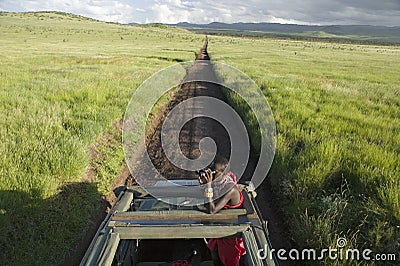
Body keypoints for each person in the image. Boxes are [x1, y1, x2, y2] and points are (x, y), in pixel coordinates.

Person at [197, 156, 246, 266]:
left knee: (228, 260)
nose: (212, 175)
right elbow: (207, 203)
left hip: (230, 232)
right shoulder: (219, 182)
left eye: (214, 173)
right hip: (220, 224)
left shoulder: (230, 189)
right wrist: (204, 185)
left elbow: (211, 210)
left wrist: (208, 186)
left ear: (224, 173)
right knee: (215, 252)